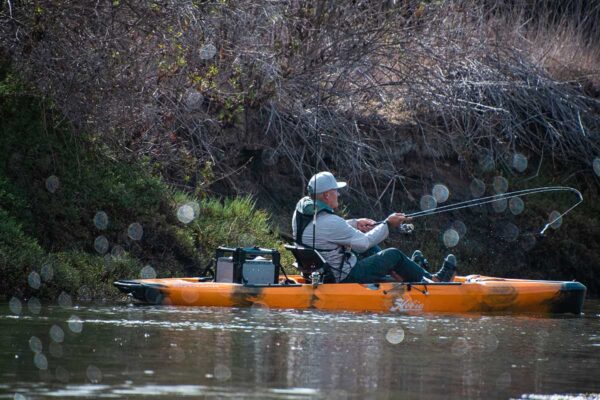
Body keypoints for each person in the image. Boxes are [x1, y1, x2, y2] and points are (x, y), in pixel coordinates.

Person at [291, 171, 457, 283]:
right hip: (342, 275)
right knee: (393, 255)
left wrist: (356, 223)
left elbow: (326, 231)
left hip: (322, 270)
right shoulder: (331, 222)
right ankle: (434, 281)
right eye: (336, 191)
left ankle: (407, 272)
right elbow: (363, 242)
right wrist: (388, 224)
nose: (338, 194)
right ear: (326, 195)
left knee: (370, 250)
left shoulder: (302, 212)